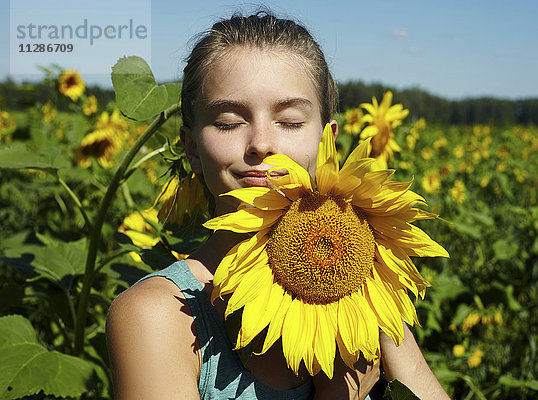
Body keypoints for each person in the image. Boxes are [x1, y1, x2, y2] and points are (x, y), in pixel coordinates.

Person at [106, 11, 449, 400]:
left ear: (327, 141)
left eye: (288, 121)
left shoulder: (368, 282)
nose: (261, 143)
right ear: (191, 149)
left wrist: (373, 301)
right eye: (228, 122)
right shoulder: (159, 316)